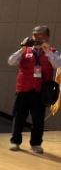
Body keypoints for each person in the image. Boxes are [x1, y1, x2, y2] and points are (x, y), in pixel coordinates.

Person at [8, 25, 61, 153]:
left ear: (47, 37)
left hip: (40, 92)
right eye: (35, 35)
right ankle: (15, 142)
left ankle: (36, 144)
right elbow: (11, 61)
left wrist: (48, 52)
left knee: (38, 119)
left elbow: (58, 64)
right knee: (19, 117)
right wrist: (22, 49)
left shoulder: (53, 52)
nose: (37, 37)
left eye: (40, 35)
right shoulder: (25, 50)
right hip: (23, 89)